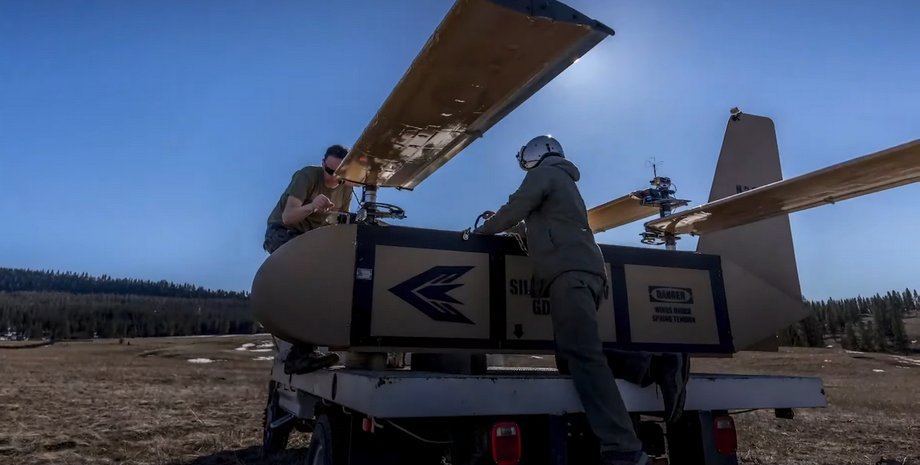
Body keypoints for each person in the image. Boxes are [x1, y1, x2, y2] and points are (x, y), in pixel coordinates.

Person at [472, 135, 686, 465]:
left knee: (582, 357)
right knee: (573, 356)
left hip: (569, 273)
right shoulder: (563, 182)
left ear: (538, 154)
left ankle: (624, 447)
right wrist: (518, 233)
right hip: (580, 270)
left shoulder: (545, 173)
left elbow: (515, 208)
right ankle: (655, 365)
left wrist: (481, 233)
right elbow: (542, 229)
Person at [263, 143, 354, 374]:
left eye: (338, 174)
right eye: (329, 170)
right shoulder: (307, 176)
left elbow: (342, 224)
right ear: (323, 163)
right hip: (282, 234)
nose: (333, 177)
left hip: (311, 240)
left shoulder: (346, 188)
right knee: (307, 283)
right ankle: (299, 355)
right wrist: (313, 206)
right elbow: (288, 217)